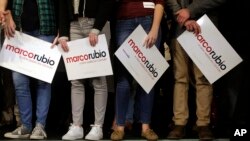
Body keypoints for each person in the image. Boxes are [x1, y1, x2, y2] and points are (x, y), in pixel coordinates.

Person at [166, 0, 226, 140]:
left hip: (205, 29)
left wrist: (190, 11)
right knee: (180, 79)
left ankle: (203, 124)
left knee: (203, 79)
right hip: (180, 28)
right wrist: (181, 17)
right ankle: (179, 123)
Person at [55, 0, 115, 140]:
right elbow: (63, 4)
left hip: (96, 24)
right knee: (76, 80)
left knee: (98, 80)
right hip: (74, 25)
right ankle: (77, 126)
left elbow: (107, 2)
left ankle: (98, 127)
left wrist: (97, 27)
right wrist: (63, 32)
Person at [1, 0, 58, 139]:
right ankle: (25, 126)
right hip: (20, 31)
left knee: (43, 81)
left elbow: (62, 4)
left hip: (45, 29)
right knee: (19, 81)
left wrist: (62, 29)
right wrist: (4, 12)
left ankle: (40, 126)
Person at [110, 0, 165, 141]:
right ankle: (120, 126)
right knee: (123, 77)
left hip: (148, 21)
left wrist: (155, 28)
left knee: (147, 77)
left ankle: (145, 127)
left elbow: (160, 2)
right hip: (124, 22)